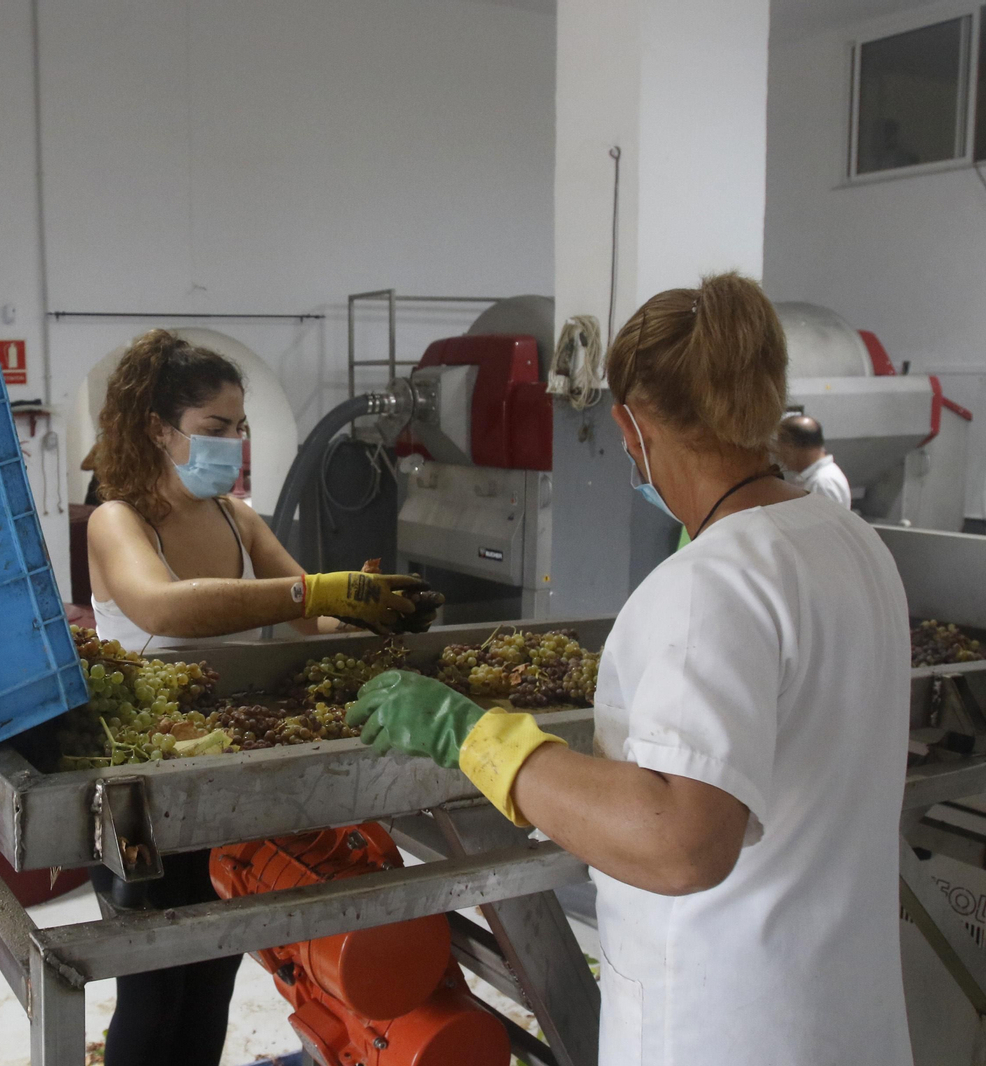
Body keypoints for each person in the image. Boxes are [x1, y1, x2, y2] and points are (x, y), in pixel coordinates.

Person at [349, 274, 911, 1065]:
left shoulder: (711, 584)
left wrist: (472, 735)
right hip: (842, 1009)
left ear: (630, 425)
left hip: (724, 1020)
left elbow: (681, 841)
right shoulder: (852, 543)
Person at [84, 329, 431, 1066]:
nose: (232, 445)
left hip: (227, 784)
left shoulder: (238, 518)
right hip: (143, 795)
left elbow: (313, 616)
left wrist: (370, 609)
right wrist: (315, 586)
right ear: (158, 430)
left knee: (215, 968)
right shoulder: (120, 520)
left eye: (239, 428)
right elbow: (166, 608)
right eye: (214, 429)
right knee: (153, 989)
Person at [777, 413, 852, 507]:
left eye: (782, 448)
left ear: (790, 447)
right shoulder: (820, 478)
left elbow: (826, 521)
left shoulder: (822, 483)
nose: (780, 457)